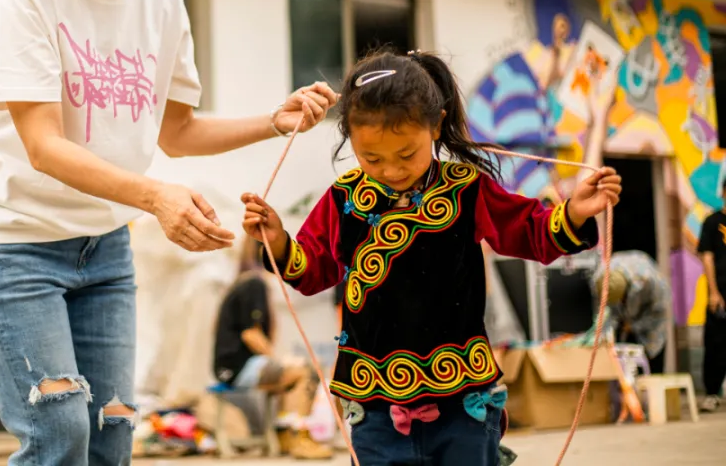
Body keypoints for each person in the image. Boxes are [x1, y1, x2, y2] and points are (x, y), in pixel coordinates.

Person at [0, 0, 338, 466]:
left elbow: (179, 133)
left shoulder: (161, 3)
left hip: (103, 249)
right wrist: (156, 196)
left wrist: (274, 121)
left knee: (113, 434)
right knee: (60, 432)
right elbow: (43, 145)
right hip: (11, 241)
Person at [240, 48, 621, 466]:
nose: (391, 170)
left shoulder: (466, 189)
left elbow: (529, 231)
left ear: (436, 126)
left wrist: (577, 211)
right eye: (372, 159)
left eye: (406, 154)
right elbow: (312, 269)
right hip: (374, 404)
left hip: (463, 399)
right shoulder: (344, 199)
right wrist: (277, 241)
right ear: (350, 137)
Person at [212, 243, 333, 459]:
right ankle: (298, 436)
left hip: (230, 366)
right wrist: (277, 359)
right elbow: (251, 334)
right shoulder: (254, 283)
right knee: (307, 371)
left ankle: (285, 433)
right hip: (239, 367)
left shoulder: (244, 282)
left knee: (292, 373)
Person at [587, 250, 670, 374]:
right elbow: (604, 312)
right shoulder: (601, 278)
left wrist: (634, 326)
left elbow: (659, 311)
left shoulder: (649, 280)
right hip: (622, 319)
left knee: (650, 365)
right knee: (619, 360)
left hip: (649, 319)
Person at [697, 181, 726, 411]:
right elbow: (707, 257)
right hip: (720, 294)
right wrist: (714, 292)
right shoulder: (712, 222)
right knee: (716, 343)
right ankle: (711, 393)